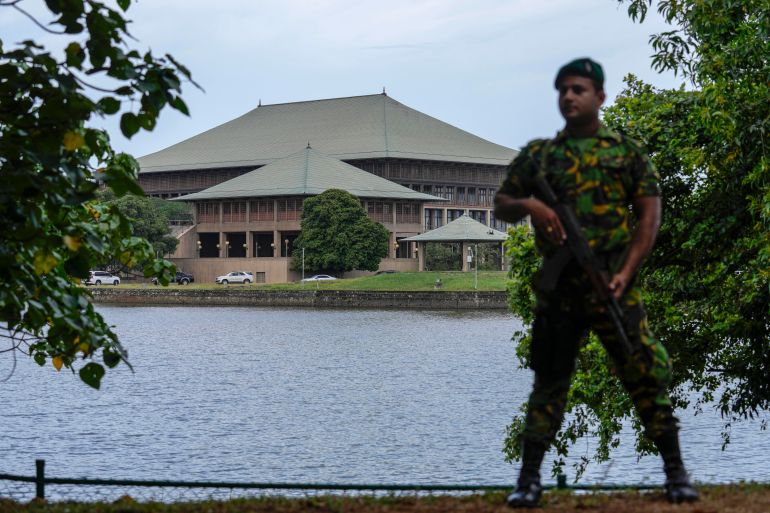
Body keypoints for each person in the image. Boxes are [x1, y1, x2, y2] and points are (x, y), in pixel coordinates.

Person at [494, 57, 699, 508]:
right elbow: (502, 203)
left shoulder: (626, 154)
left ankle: (676, 474)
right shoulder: (541, 156)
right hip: (560, 292)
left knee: (645, 373)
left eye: (579, 89)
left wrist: (625, 273)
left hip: (612, 285)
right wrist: (533, 205)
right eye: (563, 89)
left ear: (599, 97)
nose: (569, 96)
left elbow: (649, 219)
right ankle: (528, 481)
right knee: (549, 384)